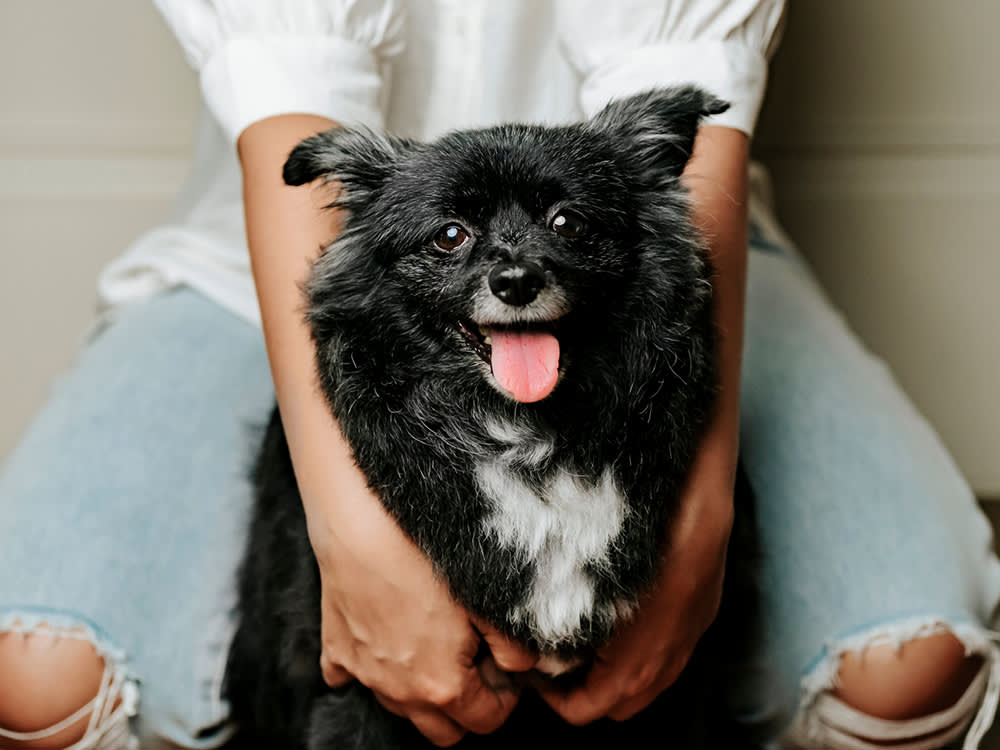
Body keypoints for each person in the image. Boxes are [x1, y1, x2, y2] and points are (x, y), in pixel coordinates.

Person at [1, 1, 998, 748]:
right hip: (266, 265)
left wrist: (694, 528)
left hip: (640, 273)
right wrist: (350, 540)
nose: (512, 270)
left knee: (907, 676)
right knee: (39, 681)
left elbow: (686, 103)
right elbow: (292, 104)